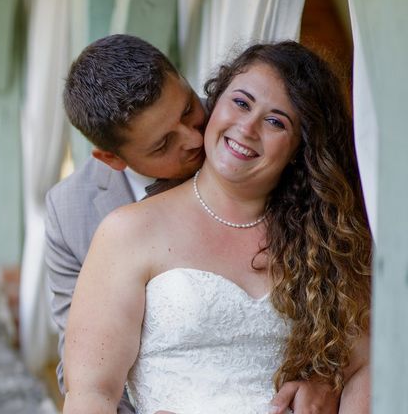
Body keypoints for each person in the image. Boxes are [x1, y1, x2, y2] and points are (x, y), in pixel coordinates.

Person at [62, 41, 372, 414]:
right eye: (241, 103)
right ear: (220, 97)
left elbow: (366, 363)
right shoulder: (127, 232)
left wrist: (331, 383)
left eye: (276, 121)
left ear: (300, 147)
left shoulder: (327, 237)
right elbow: (90, 393)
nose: (247, 127)